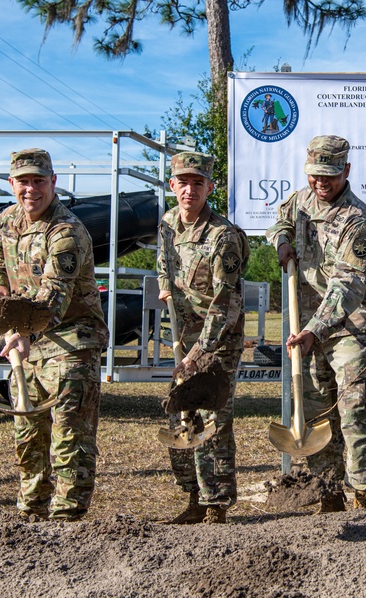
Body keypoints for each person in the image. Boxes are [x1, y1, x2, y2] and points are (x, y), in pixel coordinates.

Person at [266, 135, 366, 511]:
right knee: (315, 408)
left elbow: (347, 286)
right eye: (315, 174)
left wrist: (313, 330)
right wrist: (281, 239)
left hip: (350, 326)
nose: (321, 183)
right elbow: (280, 222)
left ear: (346, 171)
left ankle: (364, 493)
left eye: (330, 176)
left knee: (354, 408)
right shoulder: (300, 201)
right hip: (308, 325)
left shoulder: (359, 221)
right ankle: (328, 492)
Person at [0, 148, 109, 522]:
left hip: (73, 341)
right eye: (23, 181)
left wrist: (21, 329)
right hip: (27, 344)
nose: (31, 189)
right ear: (12, 184)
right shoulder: (4, 223)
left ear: (53, 182)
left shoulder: (66, 232)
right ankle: (30, 514)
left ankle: (67, 521)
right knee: (28, 435)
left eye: (39, 181)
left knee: (70, 434)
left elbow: (54, 296)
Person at [156, 151, 249, 524]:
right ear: (172, 185)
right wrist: (165, 286)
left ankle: (217, 504)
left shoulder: (222, 236)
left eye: (198, 183)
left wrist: (200, 350)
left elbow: (225, 302)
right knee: (181, 410)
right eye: (183, 182)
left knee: (214, 415)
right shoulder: (166, 225)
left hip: (218, 338)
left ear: (210, 187)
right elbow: (164, 262)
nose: (189, 190)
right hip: (183, 334)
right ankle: (193, 496)